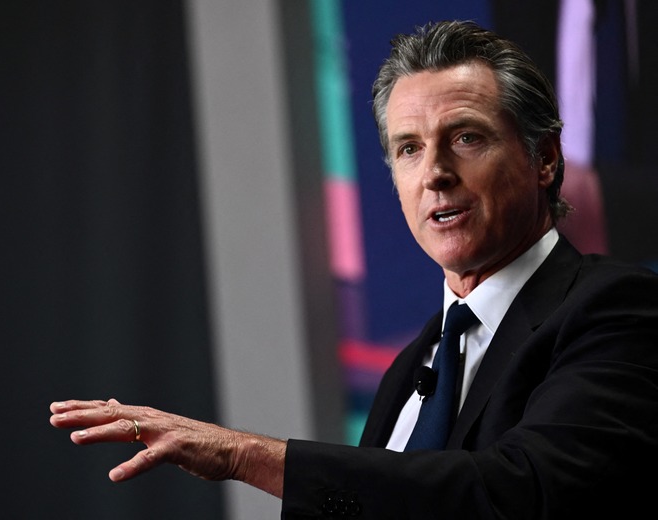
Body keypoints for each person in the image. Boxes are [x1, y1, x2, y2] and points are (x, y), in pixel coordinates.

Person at [49, 20, 658, 518]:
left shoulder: (618, 311)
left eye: (467, 138)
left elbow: (517, 493)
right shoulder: (411, 368)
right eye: (409, 148)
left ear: (545, 159)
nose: (435, 173)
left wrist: (244, 455)